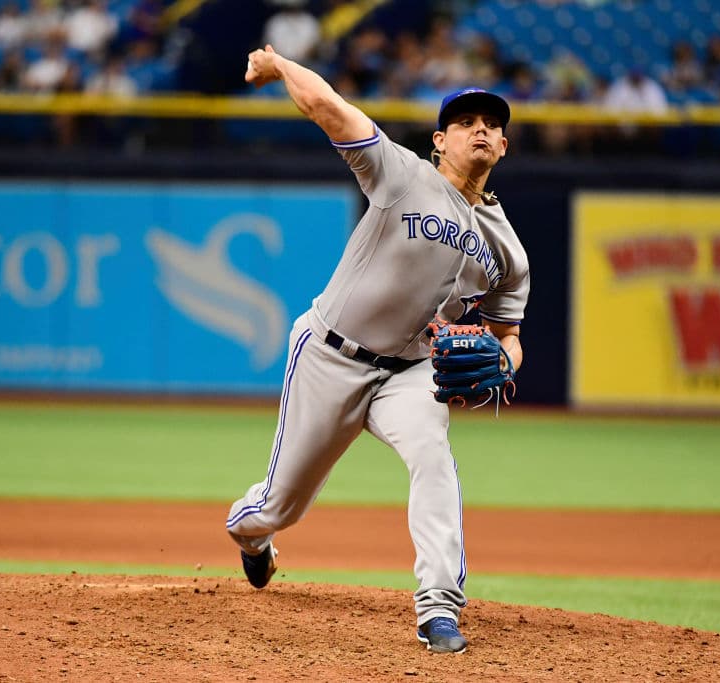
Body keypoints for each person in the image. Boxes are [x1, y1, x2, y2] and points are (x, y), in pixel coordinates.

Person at [226, 44, 529, 655]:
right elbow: (327, 107)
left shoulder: (509, 251)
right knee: (281, 506)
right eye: (465, 122)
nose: (480, 129)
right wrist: (279, 66)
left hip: (412, 373)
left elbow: (509, 337)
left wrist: (503, 362)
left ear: (502, 147)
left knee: (433, 457)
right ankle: (252, 538)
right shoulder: (403, 174)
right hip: (330, 356)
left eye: (490, 125)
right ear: (439, 141)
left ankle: (438, 608)